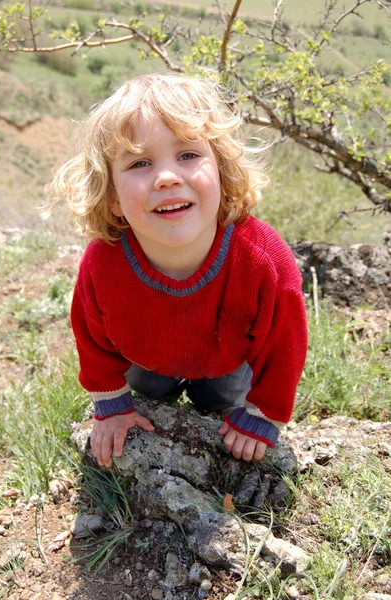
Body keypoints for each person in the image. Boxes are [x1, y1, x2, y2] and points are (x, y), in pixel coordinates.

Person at [51, 72, 308, 468]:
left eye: (188, 155)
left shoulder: (262, 259)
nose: (168, 177)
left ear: (222, 170)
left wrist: (265, 412)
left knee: (220, 403)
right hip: (146, 358)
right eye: (140, 163)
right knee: (149, 394)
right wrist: (112, 403)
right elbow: (91, 333)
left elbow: (283, 341)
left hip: (226, 359)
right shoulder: (104, 262)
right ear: (113, 196)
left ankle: (220, 401)